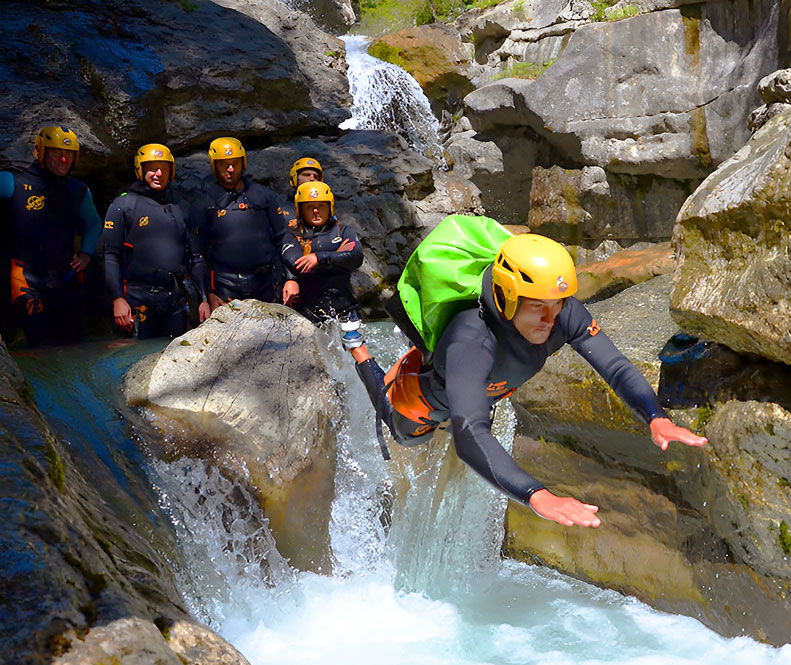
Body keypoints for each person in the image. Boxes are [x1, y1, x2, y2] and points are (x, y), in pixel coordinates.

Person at [358, 233, 707, 527]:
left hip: (484, 392)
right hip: (427, 399)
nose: (551, 319)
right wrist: (536, 495)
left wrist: (656, 416)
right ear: (507, 297)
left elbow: (615, 366)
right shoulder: (471, 342)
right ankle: (362, 354)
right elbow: (470, 436)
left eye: (557, 304)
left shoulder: (560, 312)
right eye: (538, 307)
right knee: (402, 431)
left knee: (472, 411)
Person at [0, 125, 101, 346]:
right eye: (57, 152)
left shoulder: (79, 191)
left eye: (69, 154)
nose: (63, 160)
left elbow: (94, 224)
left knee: (73, 348)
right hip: (26, 281)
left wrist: (86, 254)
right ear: (40, 151)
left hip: (66, 280)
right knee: (38, 347)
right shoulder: (11, 182)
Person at [102, 143, 209, 338]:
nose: (158, 173)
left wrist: (203, 298)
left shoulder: (180, 207)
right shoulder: (123, 205)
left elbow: (195, 257)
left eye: (164, 169)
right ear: (140, 170)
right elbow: (111, 255)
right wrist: (117, 298)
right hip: (137, 301)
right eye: (152, 169)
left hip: (174, 300)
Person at [191, 137, 300, 310]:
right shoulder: (203, 203)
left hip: (266, 283)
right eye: (224, 164)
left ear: (243, 163)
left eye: (235, 163)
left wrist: (292, 279)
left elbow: (283, 238)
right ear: (214, 166)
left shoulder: (263, 195)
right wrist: (206, 296)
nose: (230, 169)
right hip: (225, 288)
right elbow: (198, 255)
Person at [284, 180, 374, 364]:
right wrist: (337, 257)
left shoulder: (343, 230)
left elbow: (355, 257)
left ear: (330, 207)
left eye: (321, 206)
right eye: (310, 207)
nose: (316, 211)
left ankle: (379, 388)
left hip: (343, 306)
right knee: (316, 362)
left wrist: (319, 258)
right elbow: (295, 264)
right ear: (300, 210)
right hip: (308, 311)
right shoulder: (293, 235)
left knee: (357, 349)